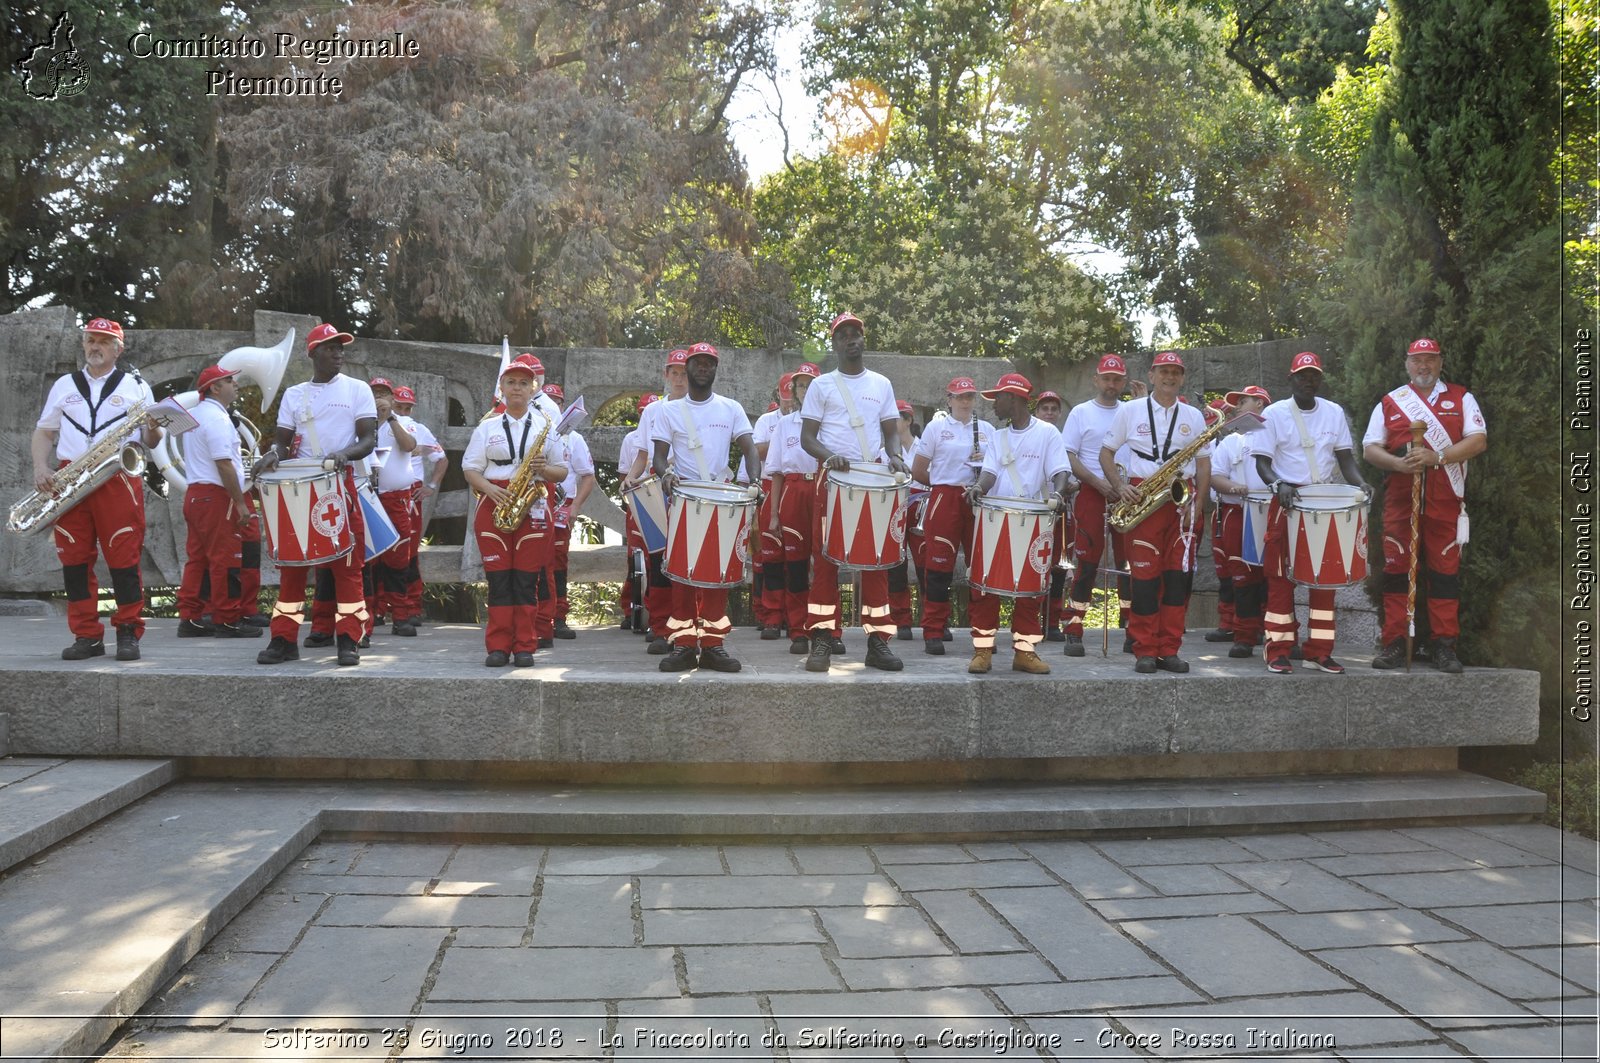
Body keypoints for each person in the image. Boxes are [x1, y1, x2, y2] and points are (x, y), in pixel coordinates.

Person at [31, 316, 162, 661]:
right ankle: (86, 635)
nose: (95, 346)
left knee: (123, 557)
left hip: (117, 476)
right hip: (69, 477)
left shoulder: (137, 386)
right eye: (90, 340)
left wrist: (154, 428)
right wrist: (41, 467)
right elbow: (45, 432)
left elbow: (150, 439)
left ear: (119, 348)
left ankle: (128, 632)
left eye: (103, 341)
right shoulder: (64, 385)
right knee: (73, 560)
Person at [254, 323, 378, 666]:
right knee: (292, 565)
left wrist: (345, 455)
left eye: (341, 348)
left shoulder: (357, 389)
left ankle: (349, 638)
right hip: (299, 486)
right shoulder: (295, 394)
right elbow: (281, 439)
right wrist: (273, 454)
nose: (338, 353)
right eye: (329, 347)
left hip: (339, 484)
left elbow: (369, 439)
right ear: (312, 353)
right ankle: (283, 639)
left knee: (346, 565)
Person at [1362, 337, 1487, 673]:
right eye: (1417, 360)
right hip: (1402, 501)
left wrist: (1439, 456)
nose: (1423, 366)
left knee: (1445, 576)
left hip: (1446, 502)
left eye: (1430, 360)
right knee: (1396, 574)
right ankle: (1394, 642)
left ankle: (1444, 646)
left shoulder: (1461, 397)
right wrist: (1397, 464)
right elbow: (1370, 448)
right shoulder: (1391, 402)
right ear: (1407, 364)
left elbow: (1478, 440)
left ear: (1440, 362)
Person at [799, 312, 907, 672]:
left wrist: (895, 456)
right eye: (843, 334)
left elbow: (891, 429)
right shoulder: (822, 385)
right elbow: (807, 438)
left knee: (877, 559)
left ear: (863, 340)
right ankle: (822, 640)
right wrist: (830, 457)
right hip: (832, 479)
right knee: (827, 559)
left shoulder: (881, 384)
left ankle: (878, 642)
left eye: (856, 333)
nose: (851, 339)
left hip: (872, 478)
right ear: (835, 343)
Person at [1252, 351, 1367, 675]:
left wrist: (1361, 484)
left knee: (1325, 579)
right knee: (1280, 580)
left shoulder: (1333, 413)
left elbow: (1346, 460)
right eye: (1302, 376)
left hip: (1325, 500)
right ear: (1291, 379)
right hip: (1287, 499)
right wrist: (1279, 485)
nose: (1308, 380)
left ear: (1320, 379)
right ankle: (1278, 650)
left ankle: (1320, 651)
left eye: (1313, 375)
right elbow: (1262, 463)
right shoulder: (1274, 414)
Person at [1099, 351, 1211, 674]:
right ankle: (1145, 649)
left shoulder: (1193, 415)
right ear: (1151, 376)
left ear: (1182, 377)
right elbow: (1105, 453)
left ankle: (1169, 649)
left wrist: (1198, 504)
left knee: (1177, 579)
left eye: (1176, 372)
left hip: (1181, 499)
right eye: (1164, 371)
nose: (1170, 377)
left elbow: (1203, 464)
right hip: (1142, 495)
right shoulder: (1130, 411)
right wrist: (1120, 486)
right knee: (1145, 580)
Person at [649, 342, 758, 672]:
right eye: (697, 362)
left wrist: (755, 481)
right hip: (685, 497)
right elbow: (657, 455)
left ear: (715, 369)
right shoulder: (668, 411)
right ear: (688, 365)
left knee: (719, 574)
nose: (702, 368)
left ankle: (713, 645)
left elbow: (750, 449)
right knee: (682, 574)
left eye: (709, 363)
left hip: (722, 497)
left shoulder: (730, 408)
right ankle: (683, 644)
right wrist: (665, 474)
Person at [460, 354, 569, 667]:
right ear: (502, 388)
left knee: (525, 581)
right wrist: (490, 489)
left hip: (532, 504)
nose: (518, 388)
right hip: (494, 501)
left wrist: (544, 469)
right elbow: (470, 468)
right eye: (512, 382)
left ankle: (524, 646)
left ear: (534, 387)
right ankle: (497, 647)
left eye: (524, 383)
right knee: (499, 581)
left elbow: (561, 471)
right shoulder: (487, 427)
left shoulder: (547, 427)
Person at [964, 373, 1071, 675]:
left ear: (1013, 398)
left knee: (1032, 588)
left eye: (998, 397)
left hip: (1035, 517)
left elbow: (1060, 471)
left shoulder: (1048, 433)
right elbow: (989, 474)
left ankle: (1025, 652)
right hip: (997, 516)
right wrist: (978, 489)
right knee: (985, 585)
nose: (994, 404)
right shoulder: (999, 437)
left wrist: (1059, 493)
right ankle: (983, 650)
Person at [910, 376, 994, 655]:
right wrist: (941, 485)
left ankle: (983, 634)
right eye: (959, 396)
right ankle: (934, 630)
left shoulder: (987, 429)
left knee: (980, 567)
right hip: (945, 497)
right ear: (949, 399)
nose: (965, 401)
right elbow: (918, 469)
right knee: (937, 567)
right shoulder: (936, 428)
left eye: (969, 396)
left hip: (978, 497)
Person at [175, 365, 258, 639]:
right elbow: (224, 464)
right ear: (214, 387)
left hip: (196, 493)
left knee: (197, 559)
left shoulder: (194, 416)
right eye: (229, 380)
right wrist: (241, 503)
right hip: (216, 496)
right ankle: (228, 619)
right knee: (227, 559)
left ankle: (190, 617)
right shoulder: (218, 419)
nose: (236, 384)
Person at [1062, 355, 1134, 657]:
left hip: (1128, 493)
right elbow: (1069, 455)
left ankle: (1132, 627)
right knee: (1087, 560)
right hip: (1093, 490)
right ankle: (1074, 628)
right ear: (1096, 380)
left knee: (1129, 563)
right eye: (1106, 378)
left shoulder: (1132, 411)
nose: (1111, 385)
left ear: (1124, 381)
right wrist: (1098, 482)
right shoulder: (1081, 412)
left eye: (1117, 379)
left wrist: (1120, 485)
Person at [629, 349, 691, 653]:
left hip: (693, 490)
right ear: (666, 375)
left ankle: (690, 626)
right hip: (657, 490)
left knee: (689, 559)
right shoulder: (653, 411)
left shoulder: (703, 407)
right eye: (674, 373)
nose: (679, 379)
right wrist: (630, 481)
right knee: (658, 560)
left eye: (684, 373)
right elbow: (642, 452)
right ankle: (661, 625)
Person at [1208, 385, 1271, 657]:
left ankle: (1277, 636)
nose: (1236, 407)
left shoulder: (1276, 435)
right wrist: (1235, 488)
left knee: (1274, 576)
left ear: (1259, 403)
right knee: (1242, 577)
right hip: (1238, 513)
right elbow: (1215, 476)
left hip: (1272, 511)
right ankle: (1244, 636)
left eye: (1242, 401)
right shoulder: (1232, 441)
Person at [767, 363, 822, 655]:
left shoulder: (832, 422)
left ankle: (828, 630)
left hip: (823, 489)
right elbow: (775, 472)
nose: (806, 389)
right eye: (801, 385)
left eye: (811, 384)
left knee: (825, 564)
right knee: (797, 565)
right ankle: (799, 630)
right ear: (795, 391)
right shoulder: (784, 425)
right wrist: (774, 514)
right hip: (794, 491)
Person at [362, 378, 418, 638]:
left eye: (384, 394)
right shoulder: (359, 422)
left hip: (395, 499)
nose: (379, 399)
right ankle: (369, 615)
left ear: (393, 398)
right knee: (369, 559)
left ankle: (401, 615)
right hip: (367, 497)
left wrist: (391, 418)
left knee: (398, 559)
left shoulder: (403, 422)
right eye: (375, 394)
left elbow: (409, 446)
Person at [542, 383, 595, 640]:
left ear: (563, 406)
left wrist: (575, 507)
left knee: (558, 562)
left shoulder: (574, 438)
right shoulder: (530, 432)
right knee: (532, 561)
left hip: (561, 507)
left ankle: (558, 616)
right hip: (533, 506)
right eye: (547, 399)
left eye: (557, 401)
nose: (552, 404)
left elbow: (588, 476)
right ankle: (534, 614)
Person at [391, 384, 446, 631]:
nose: (403, 411)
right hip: (381, 490)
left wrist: (431, 485)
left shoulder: (419, 428)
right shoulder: (377, 425)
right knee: (379, 550)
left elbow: (442, 459)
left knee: (409, 552)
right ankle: (379, 607)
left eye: (407, 407)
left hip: (410, 494)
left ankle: (411, 606)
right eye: (398, 406)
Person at [750, 377, 791, 639]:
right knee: (771, 557)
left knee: (799, 557)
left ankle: (796, 616)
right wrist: (782, 436)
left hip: (799, 483)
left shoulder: (812, 419)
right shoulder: (767, 421)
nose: (790, 400)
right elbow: (756, 452)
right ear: (779, 393)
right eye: (786, 395)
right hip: (770, 484)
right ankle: (772, 616)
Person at [1029, 389, 1070, 640]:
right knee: (1035, 565)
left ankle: (1053, 622)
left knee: (1058, 569)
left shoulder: (1065, 439)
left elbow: (1070, 475)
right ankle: (1032, 622)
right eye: (1045, 408)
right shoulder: (1030, 438)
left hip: (1062, 511)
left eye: (1054, 409)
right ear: (1036, 411)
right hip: (1038, 510)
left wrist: (1069, 488)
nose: (1049, 412)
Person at [617, 392, 659, 633]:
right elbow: (625, 475)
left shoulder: (669, 430)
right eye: (643, 412)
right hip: (638, 500)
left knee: (658, 558)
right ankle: (631, 609)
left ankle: (655, 612)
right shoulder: (631, 439)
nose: (647, 417)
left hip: (660, 498)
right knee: (636, 559)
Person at [888, 400, 919, 638]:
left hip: (920, 504)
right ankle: (901, 619)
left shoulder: (924, 447)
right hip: (894, 506)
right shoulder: (883, 451)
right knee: (896, 565)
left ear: (907, 420)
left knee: (928, 564)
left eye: (895, 418)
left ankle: (933, 622)